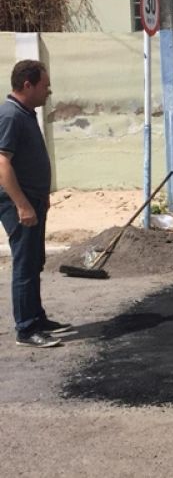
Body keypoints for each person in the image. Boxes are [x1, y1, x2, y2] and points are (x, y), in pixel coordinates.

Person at [0, 60, 71, 347]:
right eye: (45, 85)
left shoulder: (25, 113)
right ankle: (27, 329)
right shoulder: (10, 116)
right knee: (25, 263)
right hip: (19, 203)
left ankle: (36, 316)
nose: (49, 91)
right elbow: (2, 163)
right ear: (27, 85)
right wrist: (22, 204)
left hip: (33, 199)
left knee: (34, 261)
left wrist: (41, 196)